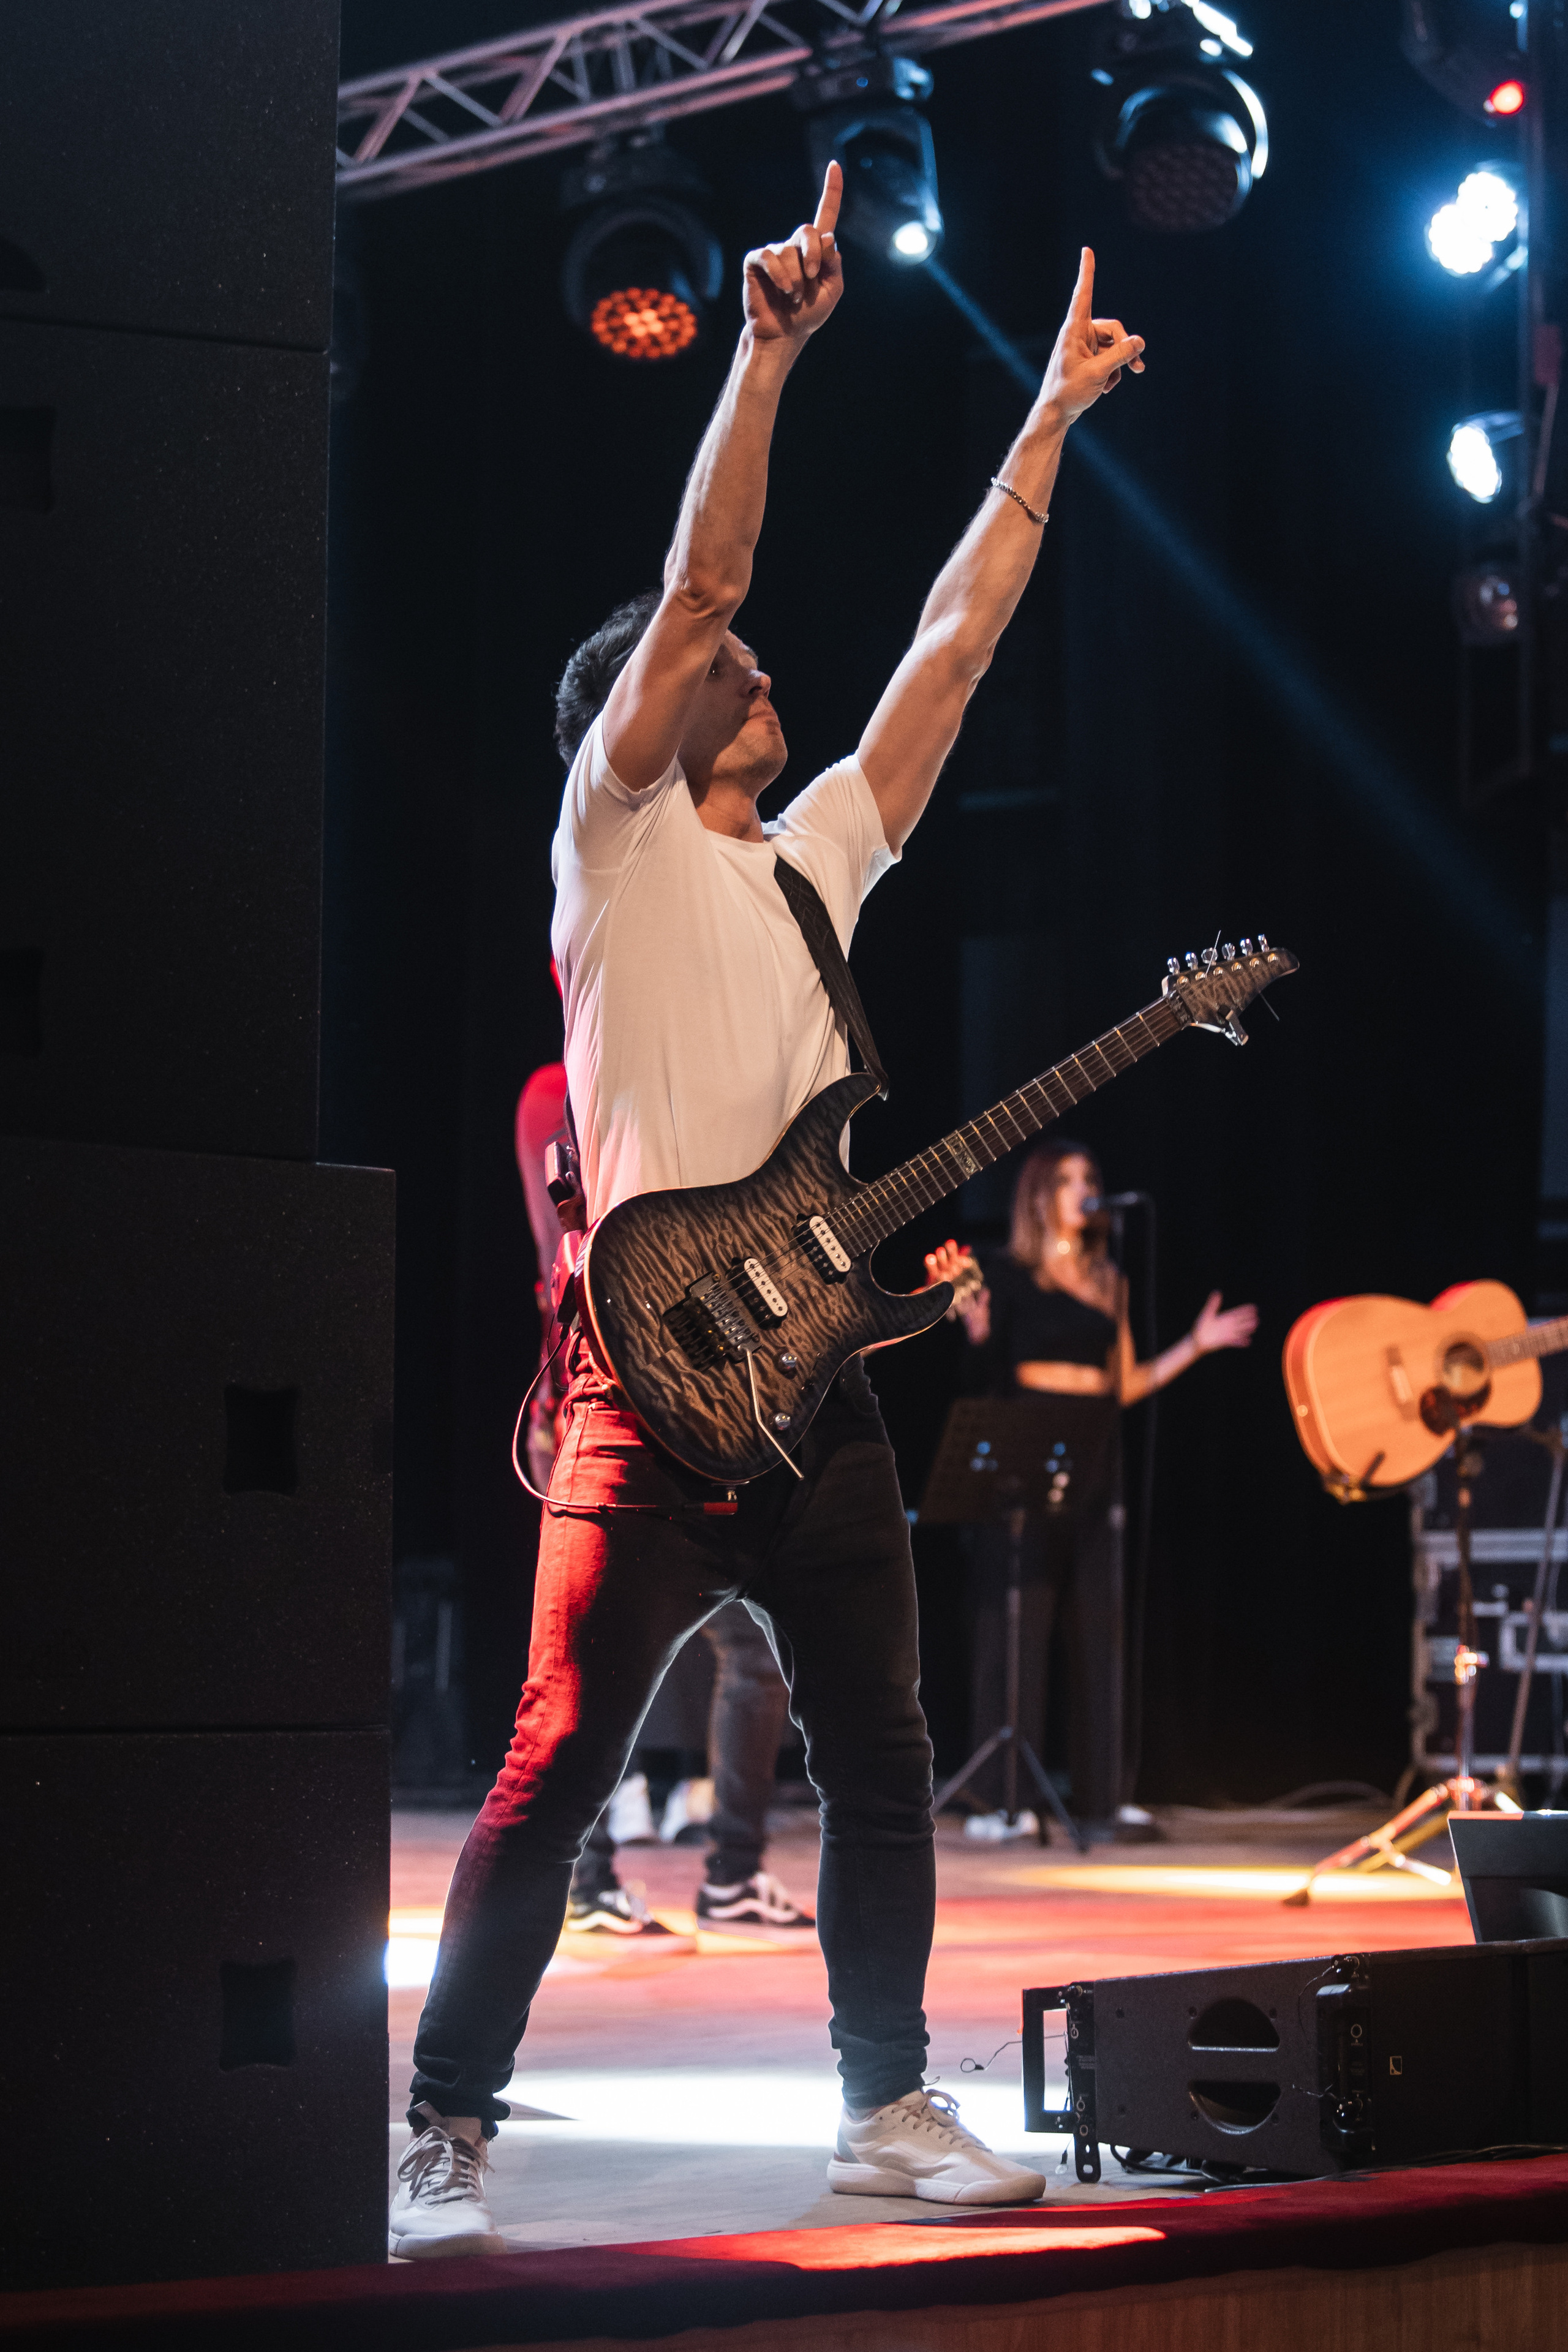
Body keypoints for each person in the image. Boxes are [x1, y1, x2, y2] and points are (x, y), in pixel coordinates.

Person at [390, 162, 1147, 2258]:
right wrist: (766, 353)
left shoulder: (811, 867)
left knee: (883, 1759)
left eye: (738, 660)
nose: (753, 664)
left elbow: (951, 651)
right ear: (639, 716)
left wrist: (1043, 430)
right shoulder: (614, 838)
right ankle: (447, 2123)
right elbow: (704, 582)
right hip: (640, 1397)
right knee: (555, 1762)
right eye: (715, 665)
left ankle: (883, 2105)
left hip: (815, 1398)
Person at [513, 1058, 814, 1944]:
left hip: (649, 1389)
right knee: (613, 1651)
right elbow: (580, 1249)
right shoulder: (565, 1086)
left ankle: (674, 1875)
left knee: (656, 1650)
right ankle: (676, 1874)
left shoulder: (598, 1075)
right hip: (626, 1391)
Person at [925, 1142, 1256, 1842]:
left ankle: (1104, 1796)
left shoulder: (1110, 1280)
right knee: (1015, 1619)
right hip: (1025, 1441)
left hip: (1095, 1446)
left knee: (1100, 1623)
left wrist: (1195, 1344)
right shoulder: (1005, 1273)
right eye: (1066, 1180)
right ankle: (1004, 1801)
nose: (1082, 1190)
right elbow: (981, 1368)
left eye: (1088, 1179)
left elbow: (1125, 1382)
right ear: (1038, 1195)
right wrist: (976, 1328)